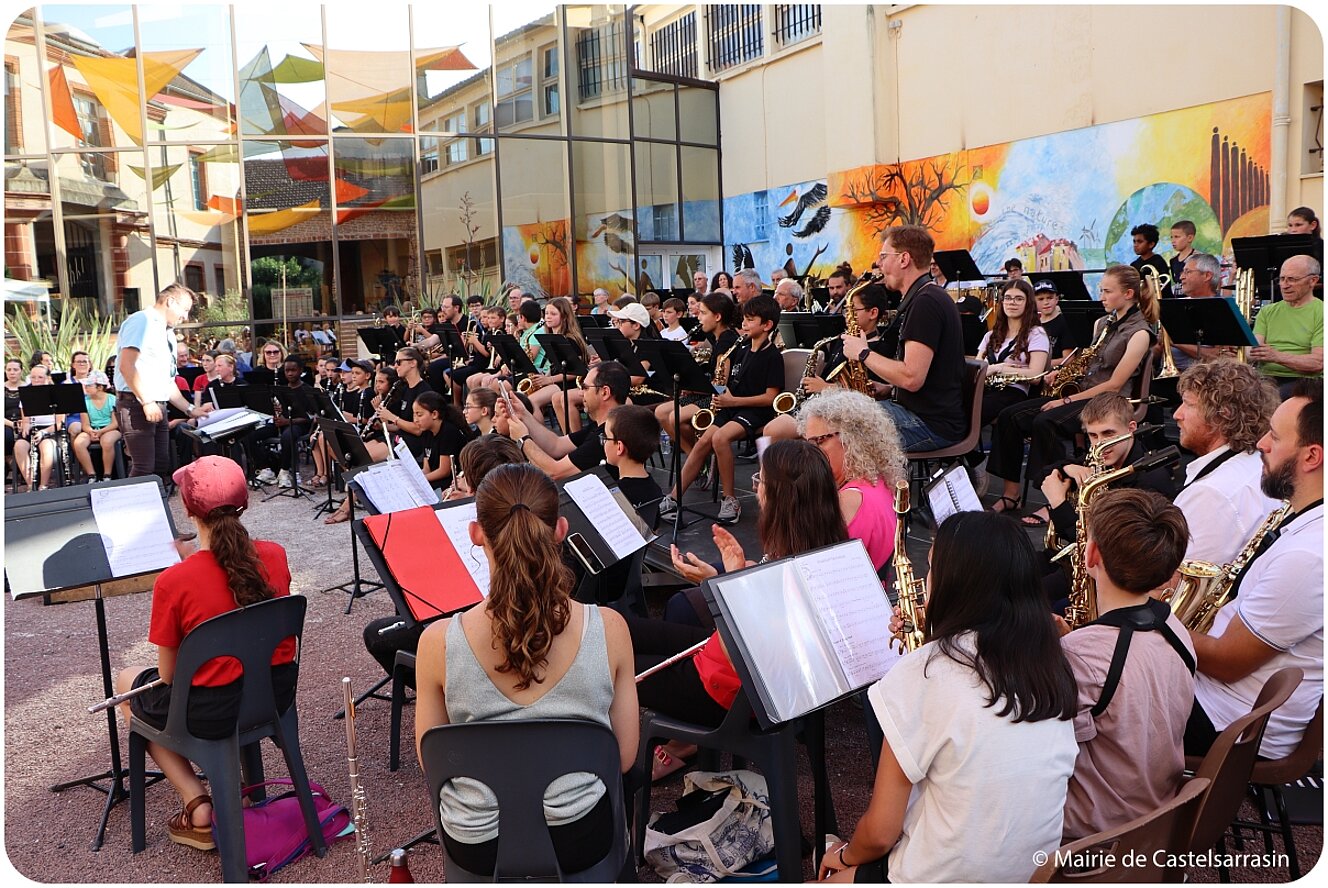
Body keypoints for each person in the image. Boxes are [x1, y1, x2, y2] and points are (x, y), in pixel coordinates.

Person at [817, 512, 1078, 883]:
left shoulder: (927, 671)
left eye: (932, 568)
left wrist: (843, 855)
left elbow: (879, 833)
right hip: (1030, 873)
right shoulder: (1052, 662)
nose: (927, 582)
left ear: (955, 583)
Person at [413, 464, 638, 877]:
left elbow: (433, 761)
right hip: (580, 837)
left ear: (476, 533)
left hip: (478, 845)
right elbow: (623, 757)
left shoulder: (436, 642)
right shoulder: (610, 628)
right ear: (560, 530)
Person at [112, 456, 299, 852]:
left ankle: (196, 801)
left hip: (212, 712)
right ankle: (233, 786)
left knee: (129, 680)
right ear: (244, 503)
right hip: (271, 697)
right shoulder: (276, 554)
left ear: (187, 509)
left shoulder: (174, 581)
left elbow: (168, 673)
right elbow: (233, 583)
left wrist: (188, 570)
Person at [638, 440, 849, 779]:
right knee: (619, 629)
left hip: (723, 689)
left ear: (778, 495)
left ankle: (615, 765)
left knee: (615, 666)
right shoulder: (820, 549)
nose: (756, 489)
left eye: (759, 482)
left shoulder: (789, 568)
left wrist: (729, 579)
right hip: (726, 667)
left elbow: (742, 644)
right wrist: (726, 576)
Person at [1185, 379, 1323, 760]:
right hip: (1220, 702)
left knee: (1075, 694)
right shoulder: (1299, 519)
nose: (1261, 443)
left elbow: (1227, 663)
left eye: (1275, 438)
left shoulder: (1309, 556)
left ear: (1311, 457)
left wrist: (1151, 616)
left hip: (1226, 722)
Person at [1059, 489, 1195, 842]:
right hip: (1158, 809)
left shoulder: (1081, 654)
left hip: (1094, 828)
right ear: (1169, 574)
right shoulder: (1178, 630)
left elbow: (1042, 747)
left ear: (1091, 555)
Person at [986, 265, 1156, 518]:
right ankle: (1011, 494)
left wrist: (1065, 399)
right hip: (1086, 392)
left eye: (1107, 291)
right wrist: (1063, 372)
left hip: (1109, 401)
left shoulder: (1140, 333)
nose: (1101, 297)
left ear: (1129, 293)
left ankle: (1055, 498)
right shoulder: (1103, 323)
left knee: (1046, 422)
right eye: (1101, 290)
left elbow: (1115, 384)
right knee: (1010, 416)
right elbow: (1090, 362)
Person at [659, 295, 785, 525]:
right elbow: (730, 383)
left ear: (767, 325)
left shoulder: (772, 356)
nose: (744, 325)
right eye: (744, 320)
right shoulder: (742, 350)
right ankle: (674, 498)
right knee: (701, 444)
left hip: (754, 411)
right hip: (732, 407)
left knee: (719, 437)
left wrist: (732, 402)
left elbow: (770, 398)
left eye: (750, 320)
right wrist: (719, 394)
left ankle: (730, 499)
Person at [841, 225, 967, 452]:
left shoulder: (926, 303)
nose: (879, 264)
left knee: (838, 429)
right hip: (920, 413)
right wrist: (890, 388)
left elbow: (912, 378)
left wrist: (863, 352)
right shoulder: (925, 297)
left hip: (929, 424)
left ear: (904, 259)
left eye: (883, 256)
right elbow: (927, 377)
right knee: (834, 413)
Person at [1172, 359, 1280, 566]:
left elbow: (1180, 583)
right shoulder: (1258, 463)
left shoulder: (1210, 494)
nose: (1177, 415)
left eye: (1188, 404)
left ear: (1222, 415)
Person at [1039, 392, 1177, 543]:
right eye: (1093, 435)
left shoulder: (1149, 480)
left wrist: (1058, 503)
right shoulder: (1100, 457)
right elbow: (1041, 477)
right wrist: (1068, 468)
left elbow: (1105, 545)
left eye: (1108, 433)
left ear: (1131, 429)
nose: (1100, 444)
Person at [795, 389, 906, 573]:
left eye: (819, 441)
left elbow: (814, 573)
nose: (810, 452)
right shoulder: (879, 482)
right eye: (808, 443)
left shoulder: (848, 501)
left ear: (852, 439)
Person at [115, 283, 212, 481]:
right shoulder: (142, 320)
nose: (185, 317)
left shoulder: (167, 332)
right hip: (137, 403)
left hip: (156, 403)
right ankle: (127, 510)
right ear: (170, 301)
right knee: (144, 468)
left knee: (160, 466)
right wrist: (147, 402)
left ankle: (156, 510)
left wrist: (191, 409)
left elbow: (167, 382)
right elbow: (127, 366)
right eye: (184, 310)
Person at [499, 361, 631, 481]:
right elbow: (556, 445)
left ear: (605, 392)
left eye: (585, 388)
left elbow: (554, 472)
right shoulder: (602, 426)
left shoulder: (607, 435)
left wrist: (523, 439)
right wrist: (524, 414)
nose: (580, 393)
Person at [655, 291, 739, 462]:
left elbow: (721, 384)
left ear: (717, 316)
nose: (698, 317)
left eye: (703, 313)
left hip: (717, 399)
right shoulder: (716, 338)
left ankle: (697, 459)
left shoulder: (726, 341)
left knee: (674, 417)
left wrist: (698, 388)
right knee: (661, 412)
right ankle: (696, 456)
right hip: (705, 393)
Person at [975, 278, 1050, 430]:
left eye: (1019, 299)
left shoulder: (1036, 333)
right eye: (1008, 298)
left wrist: (999, 368)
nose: (1012, 302)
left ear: (1028, 303)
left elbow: (1035, 376)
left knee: (972, 410)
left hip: (1014, 392)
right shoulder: (990, 335)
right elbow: (977, 370)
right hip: (986, 389)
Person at [1251, 255, 1323, 393]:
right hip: (1265, 379)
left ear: (1313, 281)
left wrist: (1276, 356)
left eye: (1292, 279)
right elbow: (1253, 349)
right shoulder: (1267, 311)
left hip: (1305, 381)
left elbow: (1318, 363)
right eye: (1282, 279)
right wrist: (1242, 348)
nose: (1284, 285)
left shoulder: (1321, 312)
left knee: (1269, 397)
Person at [525, 297, 591, 435]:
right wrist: (543, 379)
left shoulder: (570, 339)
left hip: (571, 382)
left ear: (564, 316)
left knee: (531, 402)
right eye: (546, 313)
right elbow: (555, 366)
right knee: (526, 399)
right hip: (558, 380)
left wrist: (549, 380)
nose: (548, 317)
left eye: (553, 314)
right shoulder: (551, 336)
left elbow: (577, 371)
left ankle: (543, 438)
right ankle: (565, 436)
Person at [601, 404, 663, 527]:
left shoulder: (615, 495)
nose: (603, 443)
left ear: (619, 447)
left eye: (605, 438)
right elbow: (654, 531)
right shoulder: (655, 489)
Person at [370, 347, 433, 461]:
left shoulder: (424, 392)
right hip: (400, 437)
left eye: (398, 362)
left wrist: (392, 417)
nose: (395, 366)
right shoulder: (404, 389)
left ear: (412, 363)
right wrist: (383, 424)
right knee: (357, 452)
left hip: (412, 443)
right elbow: (401, 424)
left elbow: (418, 430)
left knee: (367, 457)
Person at [412, 390, 474, 490]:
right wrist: (415, 478)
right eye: (414, 415)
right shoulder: (426, 432)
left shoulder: (448, 432)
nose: (415, 419)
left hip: (450, 482)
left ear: (434, 414)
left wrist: (420, 480)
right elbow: (427, 468)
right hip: (435, 479)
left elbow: (444, 471)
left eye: (419, 415)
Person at [14, 365, 61, 489]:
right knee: (19, 446)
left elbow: (59, 422)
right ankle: (31, 484)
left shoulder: (57, 394)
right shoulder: (26, 394)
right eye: (33, 377)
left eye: (40, 377)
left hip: (50, 429)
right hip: (33, 427)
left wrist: (44, 432)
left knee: (46, 448)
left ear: (48, 378)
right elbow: (26, 419)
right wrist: (25, 426)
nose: (36, 380)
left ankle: (43, 485)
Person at [72, 370, 121, 482]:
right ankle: (91, 474)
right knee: (78, 443)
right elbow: (85, 424)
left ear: (99, 387)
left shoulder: (112, 399)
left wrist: (101, 431)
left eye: (89, 385)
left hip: (110, 428)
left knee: (107, 441)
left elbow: (115, 423)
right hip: (93, 429)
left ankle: (107, 474)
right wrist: (91, 431)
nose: (86, 387)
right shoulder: (85, 401)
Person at [1033, 279, 1079, 368]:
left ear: (1057, 299)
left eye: (1050, 298)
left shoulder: (1064, 322)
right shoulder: (1032, 323)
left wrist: (1038, 365)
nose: (1046, 302)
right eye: (1041, 299)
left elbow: (1068, 359)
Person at [1129, 223, 1173, 298]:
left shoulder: (1159, 262)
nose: (1135, 245)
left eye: (1140, 242)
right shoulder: (1134, 265)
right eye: (1134, 241)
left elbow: (1164, 288)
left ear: (1151, 244)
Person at [4, 358, 23, 469]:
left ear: (21, 371)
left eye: (15, 369)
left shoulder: (27, 387)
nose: (12, 372)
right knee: (6, 437)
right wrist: (13, 424)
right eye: (9, 369)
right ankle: (9, 463)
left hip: (25, 422)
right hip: (6, 423)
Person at [1168, 220, 1197, 292]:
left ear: (1190, 238)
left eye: (1177, 237)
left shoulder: (1198, 258)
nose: (1173, 241)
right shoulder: (1173, 260)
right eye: (1172, 237)